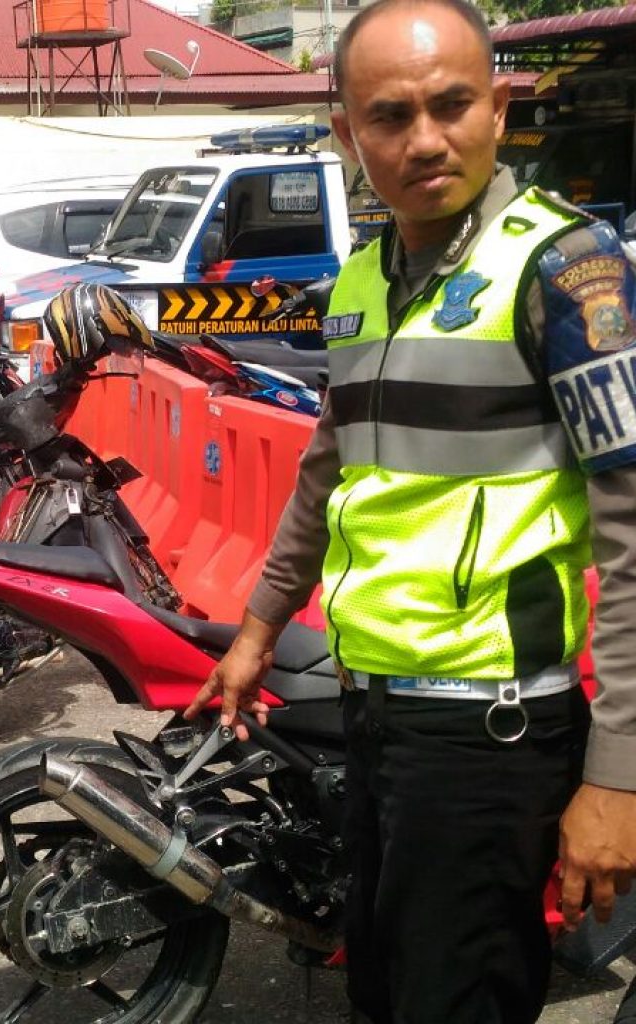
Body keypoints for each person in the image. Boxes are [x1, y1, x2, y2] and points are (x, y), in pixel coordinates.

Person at [185, 1, 636, 1021]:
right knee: (383, 992)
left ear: (500, 108)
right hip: (377, 715)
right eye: (389, 116)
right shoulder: (358, 279)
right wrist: (256, 630)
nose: (424, 139)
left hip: (493, 733)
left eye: (451, 105)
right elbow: (325, 474)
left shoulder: (566, 271)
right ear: (346, 133)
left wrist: (618, 774)